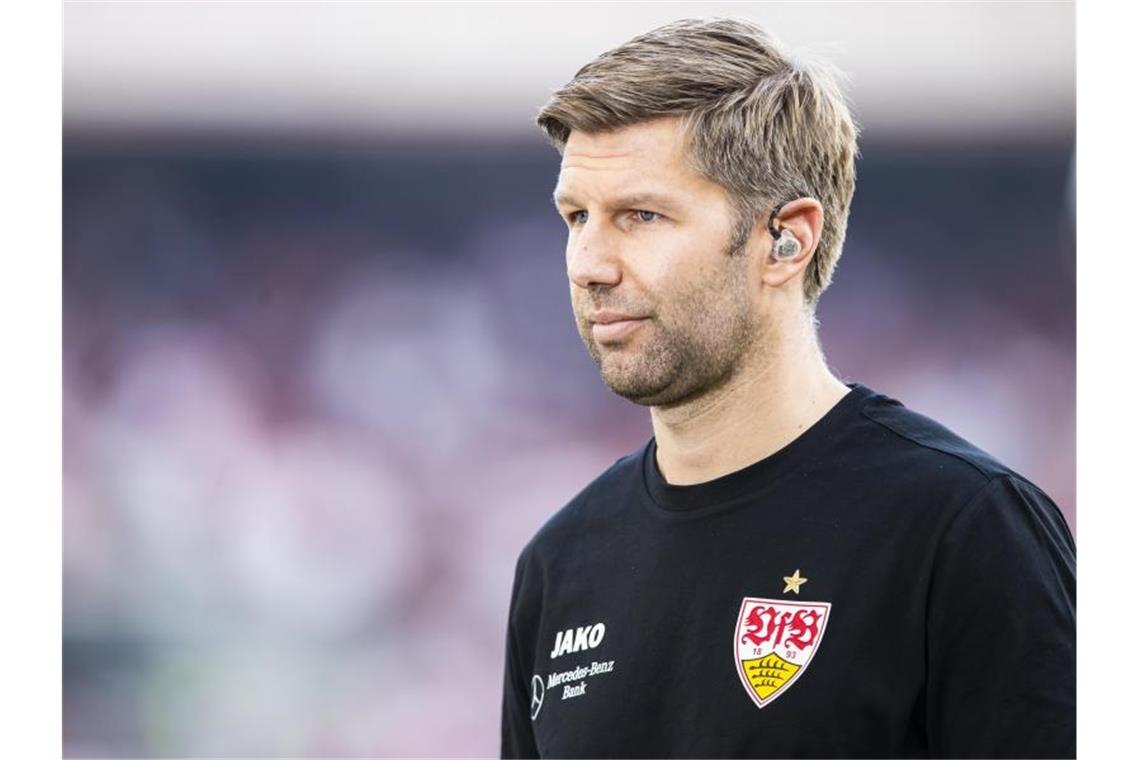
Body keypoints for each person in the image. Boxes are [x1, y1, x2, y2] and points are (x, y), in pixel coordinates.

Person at [499, 17, 1075, 759]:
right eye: (578, 217)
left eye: (641, 216)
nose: (589, 263)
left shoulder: (962, 527)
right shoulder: (559, 562)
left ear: (787, 240)